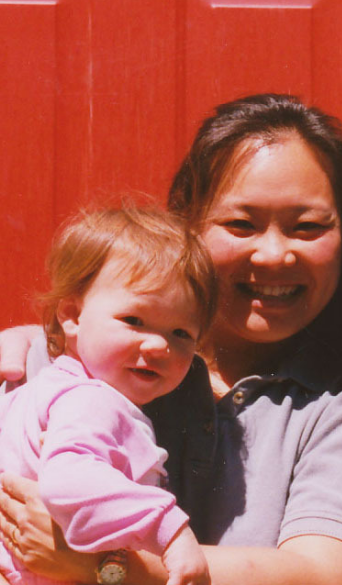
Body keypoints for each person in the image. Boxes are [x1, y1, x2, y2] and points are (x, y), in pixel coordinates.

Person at [0, 95, 342, 585]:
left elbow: (321, 574)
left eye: (307, 227)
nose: (273, 255)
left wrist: (109, 567)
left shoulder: (338, 411)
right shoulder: (44, 362)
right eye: (241, 224)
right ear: (188, 224)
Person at [0, 205, 217, 585]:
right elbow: (70, 481)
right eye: (133, 320)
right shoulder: (90, 399)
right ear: (72, 314)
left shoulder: (43, 391)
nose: (157, 345)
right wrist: (170, 530)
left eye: (181, 333)